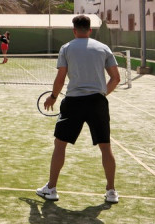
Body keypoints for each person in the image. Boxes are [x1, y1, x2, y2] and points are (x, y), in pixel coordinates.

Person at [37, 15, 121, 204]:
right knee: (105, 148)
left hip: (73, 102)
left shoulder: (67, 48)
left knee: (60, 145)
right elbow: (116, 78)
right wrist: (101, 94)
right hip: (98, 103)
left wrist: (52, 97)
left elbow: (61, 78)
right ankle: (111, 191)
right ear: (90, 30)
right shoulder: (103, 48)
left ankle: (51, 189)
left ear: (74, 30)